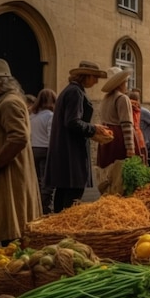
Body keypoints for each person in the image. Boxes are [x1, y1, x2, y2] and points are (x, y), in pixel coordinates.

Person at [0, 58, 41, 244]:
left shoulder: (9, 103)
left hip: (9, 176)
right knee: (7, 227)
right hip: (2, 176)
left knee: (13, 230)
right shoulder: (1, 102)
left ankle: (17, 268)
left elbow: (18, 137)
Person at [45, 60, 109, 212]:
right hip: (71, 152)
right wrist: (93, 129)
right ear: (85, 76)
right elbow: (72, 122)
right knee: (72, 196)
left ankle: (58, 228)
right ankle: (64, 228)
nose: (96, 81)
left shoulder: (71, 90)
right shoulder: (75, 92)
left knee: (63, 193)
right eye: (94, 77)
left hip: (66, 151)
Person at [97, 67, 140, 169]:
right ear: (121, 83)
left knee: (108, 172)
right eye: (125, 82)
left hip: (106, 137)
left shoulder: (106, 98)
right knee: (121, 172)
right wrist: (130, 147)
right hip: (118, 138)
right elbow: (126, 124)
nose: (126, 84)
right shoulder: (122, 98)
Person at [29, 88, 57, 214]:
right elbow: (51, 136)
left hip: (34, 149)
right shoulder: (50, 116)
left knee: (37, 180)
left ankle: (36, 206)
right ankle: (45, 208)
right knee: (47, 181)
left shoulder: (32, 116)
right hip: (46, 150)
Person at [128, 91, 148, 164]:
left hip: (132, 135)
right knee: (141, 157)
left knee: (133, 159)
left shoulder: (129, 107)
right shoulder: (138, 108)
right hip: (139, 136)